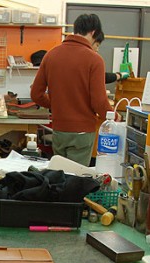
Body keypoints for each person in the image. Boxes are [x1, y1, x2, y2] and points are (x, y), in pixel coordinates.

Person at [31, 14, 115, 166]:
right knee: (76, 177)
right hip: (82, 132)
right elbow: (99, 102)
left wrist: (57, 104)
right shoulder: (95, 59)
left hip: (59, 130)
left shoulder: (51, 55)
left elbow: (36, 94)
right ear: (93, 32)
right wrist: (114, 117)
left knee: (60, 175)